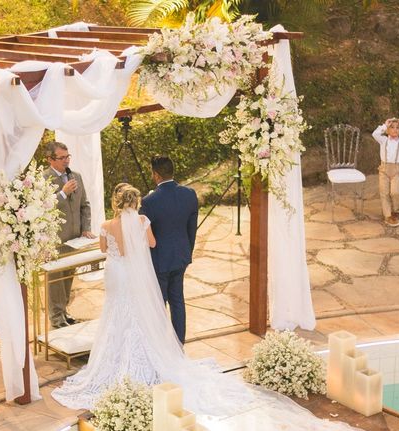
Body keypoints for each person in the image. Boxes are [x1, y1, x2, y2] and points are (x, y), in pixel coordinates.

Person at [51, 184, 252, 415]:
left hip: (116, 273)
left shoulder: (106, 225)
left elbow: (105, 250)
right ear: (135, 202)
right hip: (135, 273)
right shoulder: (142, 221)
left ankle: (113, 358)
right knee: (139, 310)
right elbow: (153, 243)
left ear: (116, 202)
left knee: (115, 310)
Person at [140, 156, 198, 344]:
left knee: (159, 303)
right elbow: (192, 229)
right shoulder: (189, 194)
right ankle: (178, 344)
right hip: (181, 255)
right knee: (177, 301)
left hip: (160, 260)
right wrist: (187, 253)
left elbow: (145, 235)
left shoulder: (149, 201)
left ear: (156, 175)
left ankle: (159, 346)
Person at [42, 141, 95, 328]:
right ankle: (56, 318)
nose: (66, 161)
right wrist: (63, 193)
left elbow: (85, 205)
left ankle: (63, 312)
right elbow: (42, 208)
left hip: (75, 237)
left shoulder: (76, 176)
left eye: (67, 156)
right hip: (55, 239)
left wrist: (86, 228)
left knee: (68, 277)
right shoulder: (44, 180)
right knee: (56, 279)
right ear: (50, 159)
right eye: (62, 158)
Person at [371, 118, 399, 227]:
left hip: (396, 170)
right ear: (387, 130)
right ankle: (387, 215)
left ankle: (396, 210)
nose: (395, 130)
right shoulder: (383, 140)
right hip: (384, 169)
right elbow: (375, 134)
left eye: (397, 128)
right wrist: (384, 125)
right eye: (392, 127)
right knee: (384, 192)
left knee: (395, 192)